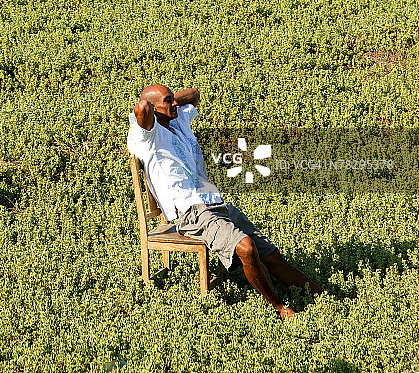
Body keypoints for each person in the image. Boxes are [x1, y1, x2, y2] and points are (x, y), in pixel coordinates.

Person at [127, 84, 325, 321]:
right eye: (168, 101)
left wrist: (168, 100)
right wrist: (154, 103)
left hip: (213, 202)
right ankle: (279, 307)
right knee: (246, 248)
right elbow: (142, 108)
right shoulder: (147, 136)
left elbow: (194, 93)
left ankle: (322, 294)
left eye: (173, 99)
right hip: (190, 213)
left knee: (271, 254)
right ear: (155, 108)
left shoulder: (177, 120)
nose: (175, 104)